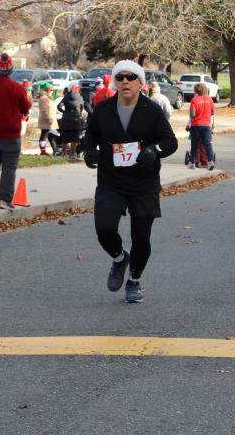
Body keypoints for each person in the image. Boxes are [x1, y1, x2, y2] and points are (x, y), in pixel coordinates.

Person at [84, 60, 178, 304]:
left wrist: (154, 150)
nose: (125, 81)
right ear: (115, 82)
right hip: (111, 180)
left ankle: (134, 280)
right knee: (104, 228)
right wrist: (89, 151)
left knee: (141, 237)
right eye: (120, 77)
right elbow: (90, 134)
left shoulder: (152, 110)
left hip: (143, 183)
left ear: (140, 83)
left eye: (131, 77)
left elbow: (171, 142)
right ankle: (119, 258)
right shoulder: (103, 109)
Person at [0, 53, 32, 210]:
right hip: (11, 134)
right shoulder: (17, 88)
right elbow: (26, 108)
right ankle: (5, 199)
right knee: (9, 167)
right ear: (11, 69)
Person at [187, 82, 216, 170]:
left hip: (196, 125)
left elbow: (192, 114)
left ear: (196, 91)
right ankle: (210, 162)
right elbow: (213, 112)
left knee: (194, 145)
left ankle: (192, 163)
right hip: (206, 125)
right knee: (207, 144)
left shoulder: (194, 100)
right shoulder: (209, 99)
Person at [57, 83, 87, 158]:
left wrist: (64, 112)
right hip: (75, 119)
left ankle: (64, 153)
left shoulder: (66, 96)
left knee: (65, 136)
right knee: (75, 137)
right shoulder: (79, 97)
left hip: (65, 118)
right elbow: (82, 107)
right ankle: (72, 153)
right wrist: (79, 114)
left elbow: (59, 106)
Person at [35, 82, 56, 156]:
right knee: (44, 135)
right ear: (47, 90)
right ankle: (43, 151)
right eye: (51, 90)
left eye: (53, 90)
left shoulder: (47, 98)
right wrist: (48, 118)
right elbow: (44, 110)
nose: (52, 92)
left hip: (48, 120)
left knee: (49, 136)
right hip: (46, 120)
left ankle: (55, 151)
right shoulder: (44, 98)